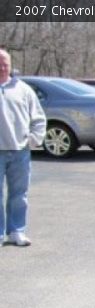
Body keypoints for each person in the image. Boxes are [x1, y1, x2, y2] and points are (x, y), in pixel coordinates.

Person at [0, 48, 46, 247]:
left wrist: (34, 139)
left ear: (10, 66)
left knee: (19, 195)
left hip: (20, 151)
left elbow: (39, 118)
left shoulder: (24, 90)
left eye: (5, 64)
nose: (2, 67)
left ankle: (17, 231)